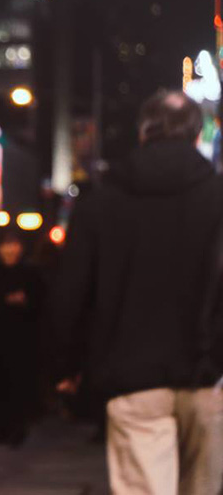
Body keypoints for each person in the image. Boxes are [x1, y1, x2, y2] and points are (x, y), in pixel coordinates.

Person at [52, 90, 223, 495]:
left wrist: (63, 364)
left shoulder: (102, 202)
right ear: (198, 133)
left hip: (130, 375)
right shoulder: (218, 198)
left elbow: (71, 289)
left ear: (143, 131)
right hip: (210, 374)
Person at [0, 230, 44, 446]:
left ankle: (17, 429)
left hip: (22, 340)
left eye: (14, 245)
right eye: (6, 245)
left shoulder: (30, 272)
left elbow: (42, 304)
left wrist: (25, 302)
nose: (10, 250)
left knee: (18, 385)